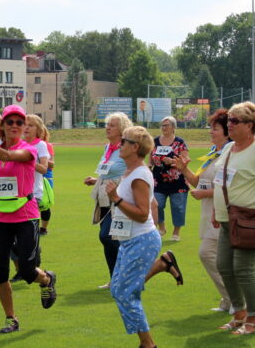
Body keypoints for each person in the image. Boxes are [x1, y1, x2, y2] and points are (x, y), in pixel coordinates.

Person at [0, 104, 57, 334]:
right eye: (10, 122)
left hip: (26, 216)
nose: (16, 126)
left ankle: (47, 280)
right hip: (0, 217)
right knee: (0, 272)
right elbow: (0, 176)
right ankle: (11, 318)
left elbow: (8, 156)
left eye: (20, 122)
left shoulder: (28, 150)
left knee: (29, 272)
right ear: (3, 125)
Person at [213, 102, 255, 335]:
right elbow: (221, 181)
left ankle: (254, 319)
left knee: (243, 269)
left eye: (235, 121)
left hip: (248, 219)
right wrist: (216, 209)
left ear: (249, 125)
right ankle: (239, 312)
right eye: (228, 120)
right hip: (227, 219)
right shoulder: (229, 147)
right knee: (224, 266)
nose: (229, 125)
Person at [104, 125, 164, 348]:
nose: (120, 144)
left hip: (141, 239)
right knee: (120, 290)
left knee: (124, 292)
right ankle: (145, 342)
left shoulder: (139, 175)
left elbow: (141, 214)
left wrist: (116, 199)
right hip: (129, 241)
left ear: (135, 147)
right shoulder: (129, 172)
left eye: (124, 142)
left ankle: (148, 344)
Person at [173, 109, 232, 312]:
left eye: (215, 128)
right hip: (210, 213)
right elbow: (199, 181)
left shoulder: (230, 153)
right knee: (215, 257)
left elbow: (232, 187)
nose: (210, 131)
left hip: (224, 212)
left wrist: (205, 194)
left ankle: (235, 299)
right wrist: (183, 169)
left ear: (227, 131)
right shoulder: (213, 152)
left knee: (208, 254)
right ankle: (229, 300)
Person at [84, 112, 133, 289]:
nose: (107, 128)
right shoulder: (108, 147)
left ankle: (125, 276)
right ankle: (115, 279)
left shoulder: (126, 147)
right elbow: (106, 171)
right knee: (108, 238)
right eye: (107, 124)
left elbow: (128, 171)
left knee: (108, 236)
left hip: (120, 196)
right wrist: (96, 180)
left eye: (112, 125)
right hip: (104, 195)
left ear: (122, 128)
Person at [150, 116, 188, 241]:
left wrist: (172, 161)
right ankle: (162, 226)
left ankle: (176, 232)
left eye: (167, 125)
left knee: (178, 207)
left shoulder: (180, 142)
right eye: (162, 125)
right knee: (157, 204)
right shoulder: (155, 141)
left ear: (173, 127)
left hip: (177, 180)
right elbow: (151, 159)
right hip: (158, 180)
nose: (164, 127)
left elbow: (185, 160)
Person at [38, 119, 55, 236]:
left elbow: (52, 164)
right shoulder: (27, 145)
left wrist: (40, 160)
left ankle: (43, 228)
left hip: (45, 178)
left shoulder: (47, 146)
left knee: (44, 205)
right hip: (32, 177)